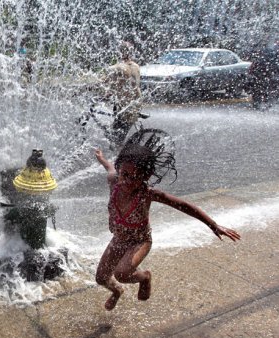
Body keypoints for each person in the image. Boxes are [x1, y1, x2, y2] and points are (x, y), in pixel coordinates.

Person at [93, 136, 240, 311]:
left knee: (122, 273)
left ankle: (145, 277)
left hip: (140, 241)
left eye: (135, 177)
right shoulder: (114, 181)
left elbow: (184, 205)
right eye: (124, 174)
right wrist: (101, 158)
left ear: (145, 176)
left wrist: (213, 225)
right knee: (101, 278)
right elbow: (109, 167)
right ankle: (117, 292)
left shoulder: (147, 194)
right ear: (119, 170)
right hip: (119, 239)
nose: (127, 181)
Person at [103, 41, 142, 146]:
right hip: (135, 103)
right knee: (117, 133)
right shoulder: (136, 66)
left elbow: (106, 84)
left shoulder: (117, 68)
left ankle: (118, 159)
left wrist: (104, 95)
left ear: (120, 52)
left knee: (116, 138)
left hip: (125, 106)